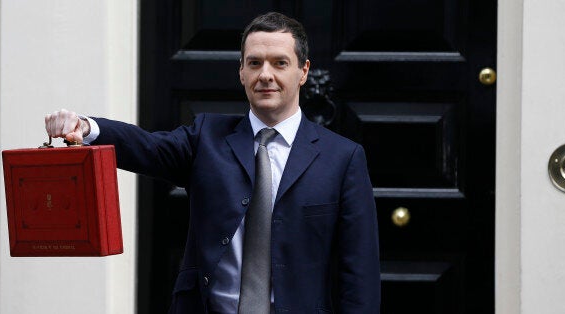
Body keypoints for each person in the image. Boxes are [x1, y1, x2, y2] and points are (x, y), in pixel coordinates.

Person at [45, 12, 380, 314]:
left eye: (279, 63)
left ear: (303, 71)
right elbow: (146, 146)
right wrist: (87, 127)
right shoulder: (206, 136)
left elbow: (358, 271)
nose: (265, 75)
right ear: (241, 71)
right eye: (254, 63)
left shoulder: (343, 158)